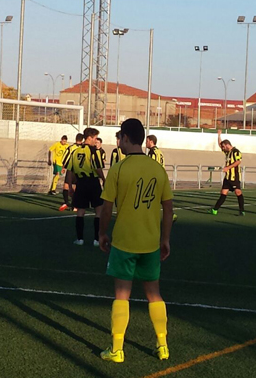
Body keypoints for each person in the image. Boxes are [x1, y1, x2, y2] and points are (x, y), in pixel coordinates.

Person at [98, 118, 173, 363]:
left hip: (124, 242)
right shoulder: (158, 169)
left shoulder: (119, 168)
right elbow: (168, 209)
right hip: (151, 242)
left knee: (122, 295)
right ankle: (162, 345)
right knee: (154, 294)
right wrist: (165, 239)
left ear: (127, 138)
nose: (118, 140)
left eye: (120, 136)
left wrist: (102, 233)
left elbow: (106, 208)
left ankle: (117, 350)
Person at [65, 128, 105, 246]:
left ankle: (80, 239)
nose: (96, 141)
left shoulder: (75, 151)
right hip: (92, 182)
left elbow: (70, 170)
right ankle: (96, 240)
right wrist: (104, 179)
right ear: (89, 138)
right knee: (98, 210)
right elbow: (98, 168)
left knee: (80, 211)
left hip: (81, 183)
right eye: (95, 138)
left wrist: (71, 186)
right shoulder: (93, 151)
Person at [209, 130, 245, 216]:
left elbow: (238, 162)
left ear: (227, 145)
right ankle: (215, 209)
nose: (222, 148)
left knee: (238, 192)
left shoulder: (236, 151)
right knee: (223, 193)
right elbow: (220, 144)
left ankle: (242, 210)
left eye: (223, 147)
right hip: (227, 177)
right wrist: (219, 135)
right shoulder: (227, 152)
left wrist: (228, 167)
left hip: (234, 177)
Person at [59, 133, 83, 211]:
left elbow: (65, 158)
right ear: (82, 140)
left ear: (75, 139)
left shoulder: (71, 148)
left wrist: (63, 167)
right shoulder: (84, 148)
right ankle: (74, 206)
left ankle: (66, 202)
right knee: (76, 188)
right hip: (79, 170)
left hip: (71, 169)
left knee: (66, 186)